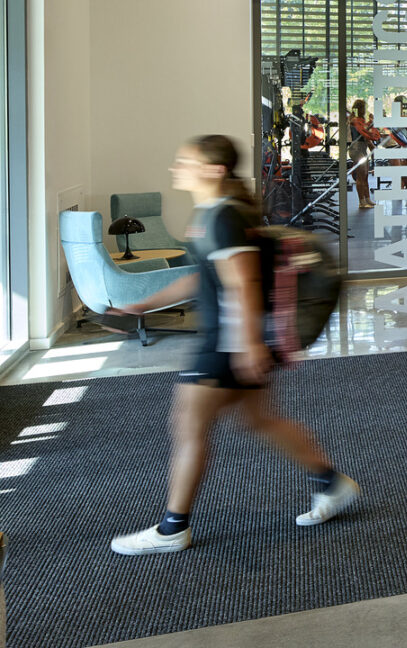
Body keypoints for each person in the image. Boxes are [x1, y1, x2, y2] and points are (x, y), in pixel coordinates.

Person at [107, 135, 359, 555]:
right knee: (259, 420)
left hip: (227, 342)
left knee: (189, 425)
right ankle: (331, 484)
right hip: (234, 340)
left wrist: (247, 347)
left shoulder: (224, 216)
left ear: (214, 170)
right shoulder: (210, 214)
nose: (176, 168)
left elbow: (244, 282)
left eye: (184, 161)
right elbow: (203, 276)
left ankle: (173, 529)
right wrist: (144, 305)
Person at [345, 98, 382, 210]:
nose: (365, 111)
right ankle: (362, 201)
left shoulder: (360, 121)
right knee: (361, 175)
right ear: (360, 109)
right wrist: (371, 123)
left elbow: (367, 136)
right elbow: (365, 132)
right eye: (363, 108)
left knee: (365, 175)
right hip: (355, 148)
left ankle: (367, 199)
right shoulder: (354, 121)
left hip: (362, 148)